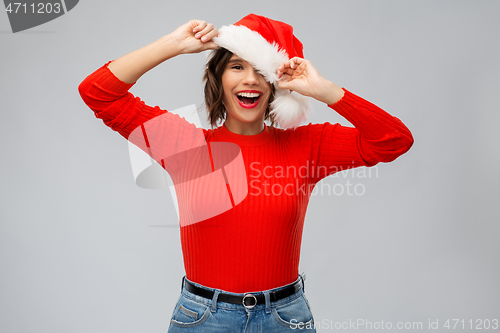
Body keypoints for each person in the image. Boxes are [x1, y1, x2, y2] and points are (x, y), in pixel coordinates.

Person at [78, 14, 413, 333]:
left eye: (261, 72)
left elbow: (393, 140)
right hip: (204, 318)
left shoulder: (308, 146)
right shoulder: (184, 145)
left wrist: (323, 89)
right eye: (237, 66)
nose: (250, 79)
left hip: (285, 319)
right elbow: (97, 93)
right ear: (220, 78)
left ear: (276, 86)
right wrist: (174, 44)